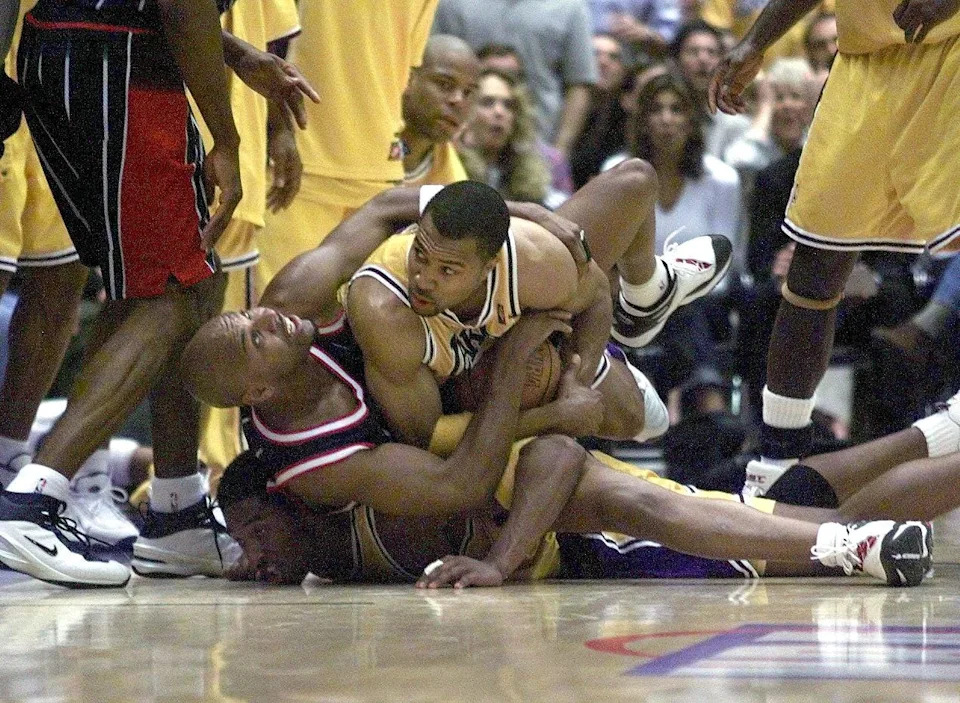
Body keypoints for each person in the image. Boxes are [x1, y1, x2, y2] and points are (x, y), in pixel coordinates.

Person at [181, 191, 932, 590]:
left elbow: (384, 208)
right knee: (804, 498)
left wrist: (524, 215)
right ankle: (925, 457)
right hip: (497, 414)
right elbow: (519, 465)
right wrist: (528, 385)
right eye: (256, 334)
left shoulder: (305, 305)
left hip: (484, 368)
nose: (270, 316)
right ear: (257, 388)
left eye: (250, 316)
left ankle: (636, 299)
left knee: (624, 188)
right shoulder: (330, 475)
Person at [0, 0, 314, 587]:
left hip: (75, 54)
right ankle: (33, 501)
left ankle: (179, 510)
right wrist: (227, 135)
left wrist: (240, 52)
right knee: (177, 286)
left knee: (177, 280)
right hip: (118, 68)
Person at [214, 390, 960, 589]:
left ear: (297, 495)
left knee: (837, 526)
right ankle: (949, 428)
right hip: (604, 534)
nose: (250, 545)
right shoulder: (324, 561)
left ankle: (853, 542)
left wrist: (503, 558)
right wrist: (257, 568)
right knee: (797, 491)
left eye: (251, 524)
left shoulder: (401, 469)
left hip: (605, 523)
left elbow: (558, 454)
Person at [708, 0, 960, 496]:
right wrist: (756, 41)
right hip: (863, 64)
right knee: (815, 265)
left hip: (952, 49)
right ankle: (778, 458)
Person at [341, 165, 731, 454]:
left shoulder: (528, 259)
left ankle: (645, 299)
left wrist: (575, 380)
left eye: (447, 270)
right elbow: (429, 438)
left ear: (490, 266)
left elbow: (596, 293)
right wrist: (553, 416)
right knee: (635, 418)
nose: (424, 279)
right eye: (420, 257)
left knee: (638, 180)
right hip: (462, 397)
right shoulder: (385, 311)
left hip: (523, 322)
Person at [257, 0, 442, 291]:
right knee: (276, 315)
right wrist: (278, 128)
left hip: (380, 170)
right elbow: (264, 38)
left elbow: (404, 67)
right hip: (297, 163)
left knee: (350, 323)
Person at [432, 0, 597, 155]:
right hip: (458, 143)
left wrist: (559, 151)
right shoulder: (452, 4)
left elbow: (579, 83)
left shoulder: (569, 7)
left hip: (539, 143)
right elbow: (433, 70)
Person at [456, 69, 561, 207]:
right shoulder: (451, 166)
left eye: (508, 105)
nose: (499, 112)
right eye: (487, 103)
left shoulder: (526, 174)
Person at [400, 35, 479, 186]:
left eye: (467, 92)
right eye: (445, 85)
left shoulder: (455, 180)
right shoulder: (362, 143)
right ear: (408, 80)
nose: (458, 100)